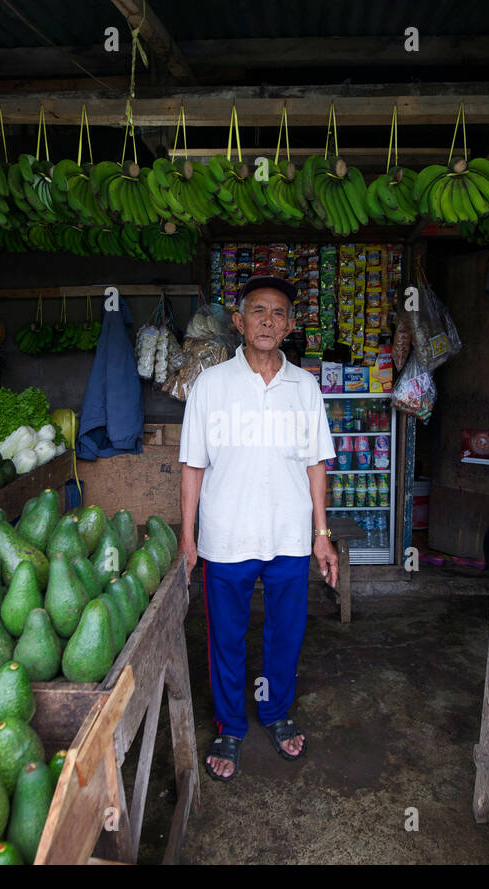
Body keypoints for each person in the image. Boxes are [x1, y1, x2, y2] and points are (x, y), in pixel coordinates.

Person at [178, 275, 337, 782]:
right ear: (239, 322)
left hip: (290, 534)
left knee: (284, 634)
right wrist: (188, 536)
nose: (268, 320)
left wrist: (322, 534)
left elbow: (317, 464)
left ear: (290, 325)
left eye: (278, 313)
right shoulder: (211, 385)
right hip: (225, 536)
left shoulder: (304, 386)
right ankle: (229, 724)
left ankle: (274, 711)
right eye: (258, 311)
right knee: (225, 635)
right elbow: (192, 466)